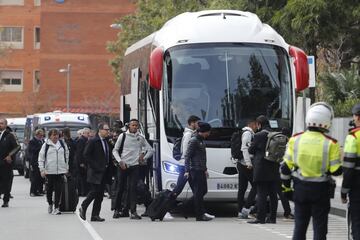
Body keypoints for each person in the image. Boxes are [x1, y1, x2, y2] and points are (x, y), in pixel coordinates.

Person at [280, 102, 342, 240]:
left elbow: (285, 169)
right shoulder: (331, 143)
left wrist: (286, 189)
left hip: (300, 190)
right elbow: (336, 171)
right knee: (320, 229)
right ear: (327, 121)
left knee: (300, 228)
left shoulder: (295, 140)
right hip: (321, 192)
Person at [112, 119, 153, 220]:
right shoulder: (123, 136)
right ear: (129, 126)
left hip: (135, 166)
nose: (134, 127)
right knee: (120, 188)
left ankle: (133, 211)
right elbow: (115, 150)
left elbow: (151, 149)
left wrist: (143, 157)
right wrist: (120, 161)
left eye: (136, 125)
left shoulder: (140, 137)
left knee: (133, 189)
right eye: (133, 125)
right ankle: (117, 210)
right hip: (123, 166)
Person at [79, 123, 114, 222]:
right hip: (95, 172)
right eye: (106, 130)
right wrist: (95, 166)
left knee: (100, 195)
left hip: (105, 172)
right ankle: (83, 206)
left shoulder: (107, 141)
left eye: (108, 130)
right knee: (94, 191)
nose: (108, 131)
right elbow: (86, 155)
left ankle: (95, 215)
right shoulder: (93, 141)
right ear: (100, 130)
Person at [247, 115, 278, 224]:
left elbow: (251, 150)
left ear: (259, 124)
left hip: (262, 168)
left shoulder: (259, 135)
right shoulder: (276, 134)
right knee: (273, 194)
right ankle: (273, 218)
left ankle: (260, 218)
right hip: (274, 166)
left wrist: (251, 145)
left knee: (262, 194)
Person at [184, 121, 213, 221]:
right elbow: (187, 156)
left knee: (203, 191)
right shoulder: (194, 140)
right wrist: (187, 170)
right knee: (199, 192)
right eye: (208, 132)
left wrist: (205, 169)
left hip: (201, 169)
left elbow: (202, 157)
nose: (209, 134)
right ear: (204, 131)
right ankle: (199, 215)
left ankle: (186, 205)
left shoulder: (201, 140)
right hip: (195, 170)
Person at [38, 128, 69, 215]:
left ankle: (57, 207)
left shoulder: (62, 144)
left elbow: (67, 156)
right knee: (49, 190)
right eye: (53, 135)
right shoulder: (46, 145)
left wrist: (66, 167)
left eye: (57, 135)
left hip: (60, 171)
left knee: (59, 189)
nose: (55, 136)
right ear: (50, 136)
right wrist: (42, 170)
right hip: (49, 171)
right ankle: (50, 203)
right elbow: (41, 158)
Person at [341, 103, 360, 240]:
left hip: (357, 186)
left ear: (357, 117)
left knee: (357, 222)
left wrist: (344, 191)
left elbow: (348, 168)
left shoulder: (353, 137)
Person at [237, 118, 257, 219]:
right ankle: (247, 208)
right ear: (252, 124)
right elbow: (244, 148)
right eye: (256, 124)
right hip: (245, 164)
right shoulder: (248, 133)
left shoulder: (244, 132)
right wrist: (248, 163)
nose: (257, 127)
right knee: (256, 185)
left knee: (242, 188)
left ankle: (240, 210)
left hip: (241, 163)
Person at [0, 118, 20, 207]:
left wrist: (10, 155)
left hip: (6, 163)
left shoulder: (10, 135)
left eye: (1, 123)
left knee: (6, 181)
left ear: (5, 125)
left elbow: (17, 147)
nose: (0, 125)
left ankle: (6, 200)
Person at [28, 129, 45, 196]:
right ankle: (32, 191)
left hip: (41, 161)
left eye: (42, 135)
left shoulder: (42, 141)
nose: (41, 136)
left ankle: (39, 190)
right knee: (35, 177)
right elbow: (31, 150)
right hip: (34, 160)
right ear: (37, 134)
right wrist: (40, 147)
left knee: (40, 177)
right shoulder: (32, 141)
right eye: (40, 135)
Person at [75, 127, 90, 196]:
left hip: (83, 162)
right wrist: (81, 162)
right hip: (81, 162)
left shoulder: (85, 139)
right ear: (83, 133)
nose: (89, 134)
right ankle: (82, 192)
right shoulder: (81, 140)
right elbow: (79, 152)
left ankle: (83, 191)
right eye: (87, 133)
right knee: (82, 178)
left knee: (83, 177)